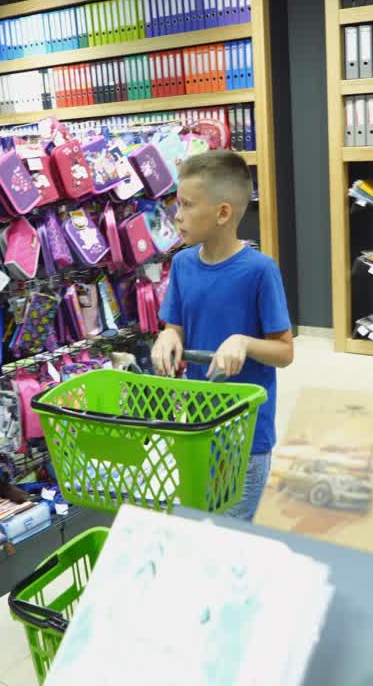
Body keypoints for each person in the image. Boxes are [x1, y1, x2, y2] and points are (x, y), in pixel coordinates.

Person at [151, 150, 293, 520]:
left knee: (235, 534)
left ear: (223, 213)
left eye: (186, 205)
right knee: (198, 519)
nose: (177, 216)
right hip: (197, 424)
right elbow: (175, 326)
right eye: (176, 204)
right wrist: (167, 337)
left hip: (245, 434)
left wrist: (243, 342)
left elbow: (284, 351)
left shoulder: (260, 271)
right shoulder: (182, 264)